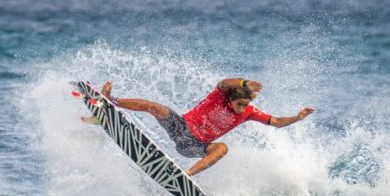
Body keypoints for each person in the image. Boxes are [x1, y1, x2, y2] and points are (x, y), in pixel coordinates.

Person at [99, 79, 314, 176]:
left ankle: (187, 175)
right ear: (230, 100)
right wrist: (243, 84)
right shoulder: (218, 96)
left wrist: (297, 117)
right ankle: (111, 101)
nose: (243, 109)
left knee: (222, 148)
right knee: (154, 107)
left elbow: (275, 122)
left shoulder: (248, 112)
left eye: (245, 105)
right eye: (239, 104)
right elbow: (225, 82)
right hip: (180, 127)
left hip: (195, 146)